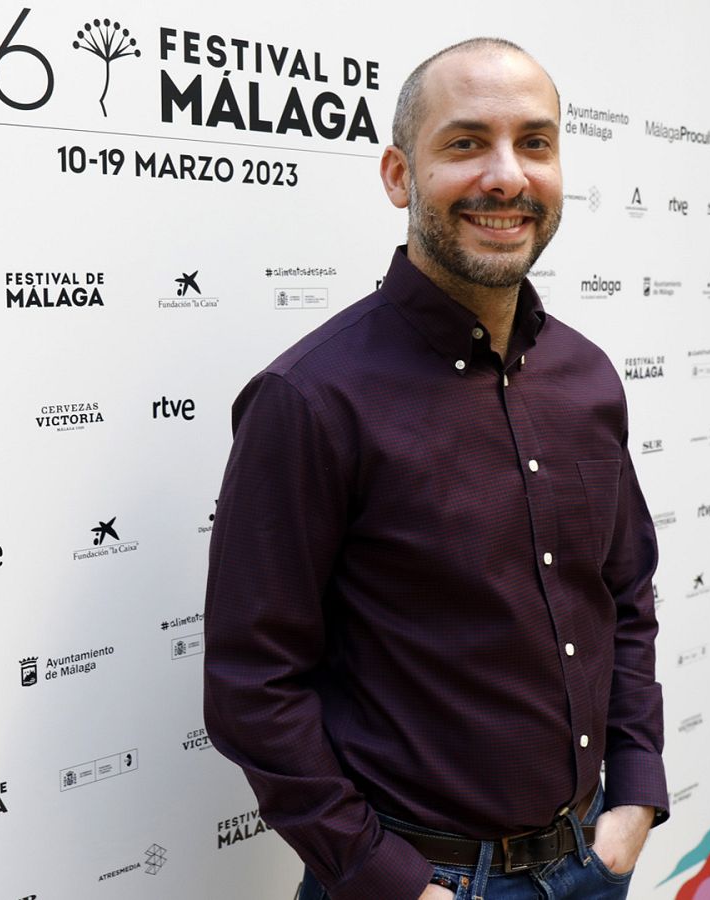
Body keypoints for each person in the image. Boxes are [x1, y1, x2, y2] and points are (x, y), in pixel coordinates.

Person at [202, 38, 666, 900]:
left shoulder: (589, 378)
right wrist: (388, 880)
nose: (507, 177)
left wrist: (635, 790)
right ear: (397, 176)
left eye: (535, 143)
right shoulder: (310, 398)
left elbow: (623, 596)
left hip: (592, 862)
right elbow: (251, 683)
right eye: (465, 144)